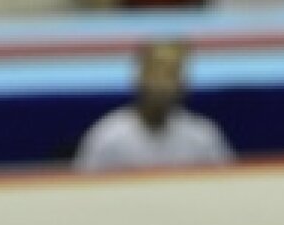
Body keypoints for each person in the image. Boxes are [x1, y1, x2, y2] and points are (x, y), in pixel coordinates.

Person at [75, 42, 235, 172]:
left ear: (183, 83)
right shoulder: (108, 138)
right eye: (155, 72)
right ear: (139, 77)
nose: (162, 84)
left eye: (171, 74)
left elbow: (227, 190)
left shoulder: (202, 137)